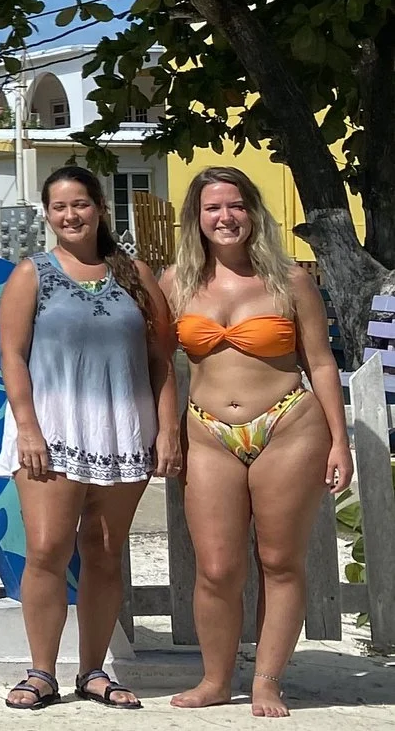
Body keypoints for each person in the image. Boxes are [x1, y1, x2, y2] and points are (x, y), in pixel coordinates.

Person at [164, 167, 353, 717]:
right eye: (212, 208)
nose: (225, 217)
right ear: (196, 219)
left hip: (289, 426)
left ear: (253, 212)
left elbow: (321, 362)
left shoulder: (290, 280)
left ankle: (268, 681)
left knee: (279, 560)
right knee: (217, 567)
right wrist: (162, 433)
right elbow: (157, 366)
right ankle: (216, 679)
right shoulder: (176, 281)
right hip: (208, 432)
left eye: (236, 205)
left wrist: (340, 441)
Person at [0, 165, 177, 710]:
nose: (70, 216)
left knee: (103, 551)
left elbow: (161, 359)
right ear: (48, 215)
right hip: (50, 430)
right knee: (48, 548)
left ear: (99, 207)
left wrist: (168, 429)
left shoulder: (137, 274)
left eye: (80, 204)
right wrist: (27, 426)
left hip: (123, 430)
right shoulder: (32, 273)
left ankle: (94, 672)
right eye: (58, 207)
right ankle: (40, 673)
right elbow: (11, 357)